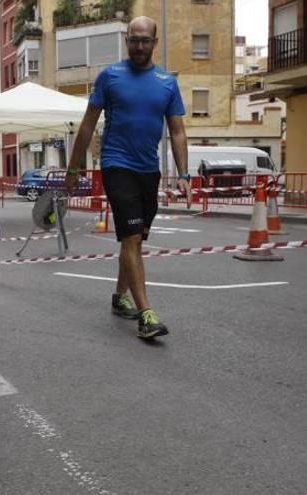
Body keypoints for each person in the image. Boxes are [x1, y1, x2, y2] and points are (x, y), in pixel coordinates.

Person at [66, 16, 191, 340]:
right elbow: (87, 124)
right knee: (131, 238)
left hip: (149, 171)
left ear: (154, 42)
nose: (138, 46)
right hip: (116, 165)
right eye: (133, 40)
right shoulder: (110, 76)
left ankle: (120, 296)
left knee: (134, 238)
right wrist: (74, 167)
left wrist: (184, 174)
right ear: (127, 41)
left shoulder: (166, 82)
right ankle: (146, 314)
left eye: (144, 40)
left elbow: (177, 131)